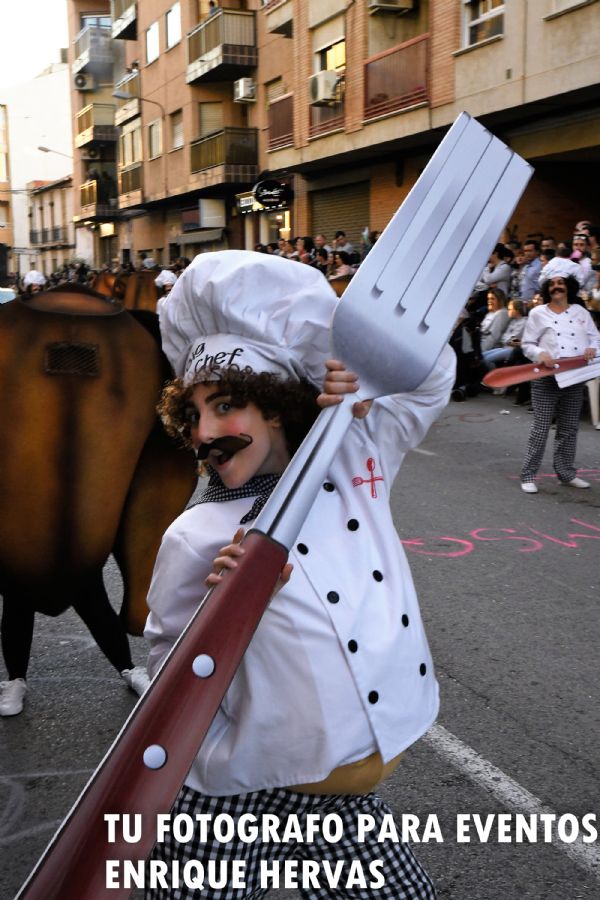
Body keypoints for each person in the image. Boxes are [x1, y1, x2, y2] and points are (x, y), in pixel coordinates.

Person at [143, 250, 455, 899]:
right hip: (233, 803)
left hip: (341, 809)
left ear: (279, 407)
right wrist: (223, 613)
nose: (204, 432)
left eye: (225, 406)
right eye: (193, 414)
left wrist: (358, 374)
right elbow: (167, 685)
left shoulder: (356, 451)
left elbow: (430, 376)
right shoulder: (196, 535)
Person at [519, 273, 599, 494]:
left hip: (574, 376)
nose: (557, 287)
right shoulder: (537, 313)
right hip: (547, 376)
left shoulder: (580, 312)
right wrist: (540, 353)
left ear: (568, 287)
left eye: (560, 283)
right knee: (541, 428)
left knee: (569, 429)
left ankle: (566, 473)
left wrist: (592, 347)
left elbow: (595, 337)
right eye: (552, 284)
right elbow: (527, 344)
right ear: (547, 289)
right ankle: (528, 475)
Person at [482, 299, 527, 369]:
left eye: (510, 309)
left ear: (517, 310)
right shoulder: (513, 321)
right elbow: (504, 337)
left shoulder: (524, 322)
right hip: (505, 347)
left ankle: (496, 377)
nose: (508, 311)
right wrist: (509, 340)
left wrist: (509, 340)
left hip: (513, 350)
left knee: (487, 360)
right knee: (483, 356)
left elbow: (513, 339)